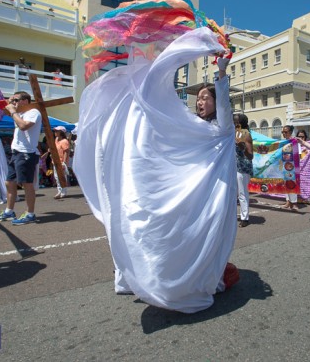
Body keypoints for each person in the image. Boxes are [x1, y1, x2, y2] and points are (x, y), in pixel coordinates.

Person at [74, 26, 238, 313]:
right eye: (198, 97)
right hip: (192, 191)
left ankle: (198, 279)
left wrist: (221, 72)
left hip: (215, 194)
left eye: (206, 97)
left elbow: (224, 104)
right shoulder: (193, 126)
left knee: (207, 235)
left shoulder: (222, 130)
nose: (200, 101)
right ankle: (151, 275)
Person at [0, 92, 41, 225]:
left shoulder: (33, 112)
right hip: (16, 152)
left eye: (16, 100)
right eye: (12, 100)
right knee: (9, 182)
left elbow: (23, 126)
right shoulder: (19, 113)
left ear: (25, 101)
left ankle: (30, 213)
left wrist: (13, 111)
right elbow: (4, 110)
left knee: (27, 184)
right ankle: (9, 211)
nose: (13, 103)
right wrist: (9, 106)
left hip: (26, 153)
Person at [234, 113, 253, 227]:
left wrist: (243, 148)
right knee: (233, 194)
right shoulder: (234, 133)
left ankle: (245, 218)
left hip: (243, 168)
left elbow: (250, 156)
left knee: (242, 194)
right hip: (233, 168)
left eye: (236, 122)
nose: (234, 123)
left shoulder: (246, 134)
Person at [50, 126, 70, 199]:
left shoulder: (64, 141)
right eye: (55, 131)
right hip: (55, 161)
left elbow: (66, 152)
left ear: (61, 132)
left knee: (62, 176)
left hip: (61, 161)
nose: (55, 132)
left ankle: (63, 191)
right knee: (56, 177)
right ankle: (59, 191)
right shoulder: (56, 139)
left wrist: (64, 162)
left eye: (57, 131)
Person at [281, 125, 298, 209]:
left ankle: (294, 203)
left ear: (290, 132)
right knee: (286, 184)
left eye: (285, 132)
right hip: (284, 166)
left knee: (292, 184)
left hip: (292, 166)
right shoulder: (283, 142)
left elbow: (298, 154)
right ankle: (288, 201)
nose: (284, 133)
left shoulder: (294, 141)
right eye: (283, 132)